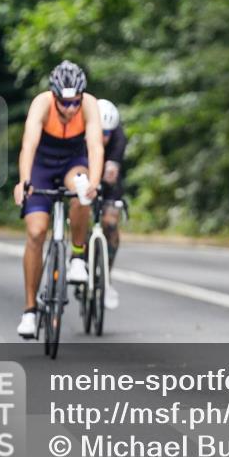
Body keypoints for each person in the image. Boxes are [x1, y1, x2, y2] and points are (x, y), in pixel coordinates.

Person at [13, 61, 104, 338]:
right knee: (36, 232)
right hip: (42, 166)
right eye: (65, 103)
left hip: (71, 163)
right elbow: (28, 144)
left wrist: (95, 182)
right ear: (54, 96)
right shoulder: (41, 104)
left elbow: (96, 146)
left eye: (75, 102)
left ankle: (78, 256)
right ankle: (30, 311)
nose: (71, 109)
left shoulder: (89, 105)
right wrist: (24, 181)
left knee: (81, 188)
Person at [97, 98, 127, 310]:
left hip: (108, 180)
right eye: (101, 132)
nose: (104, 137)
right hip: (85, 176)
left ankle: (106, 276)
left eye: (108, 133)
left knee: (110, 223)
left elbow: (112, 172)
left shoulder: (118, 138)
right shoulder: (82, 134)